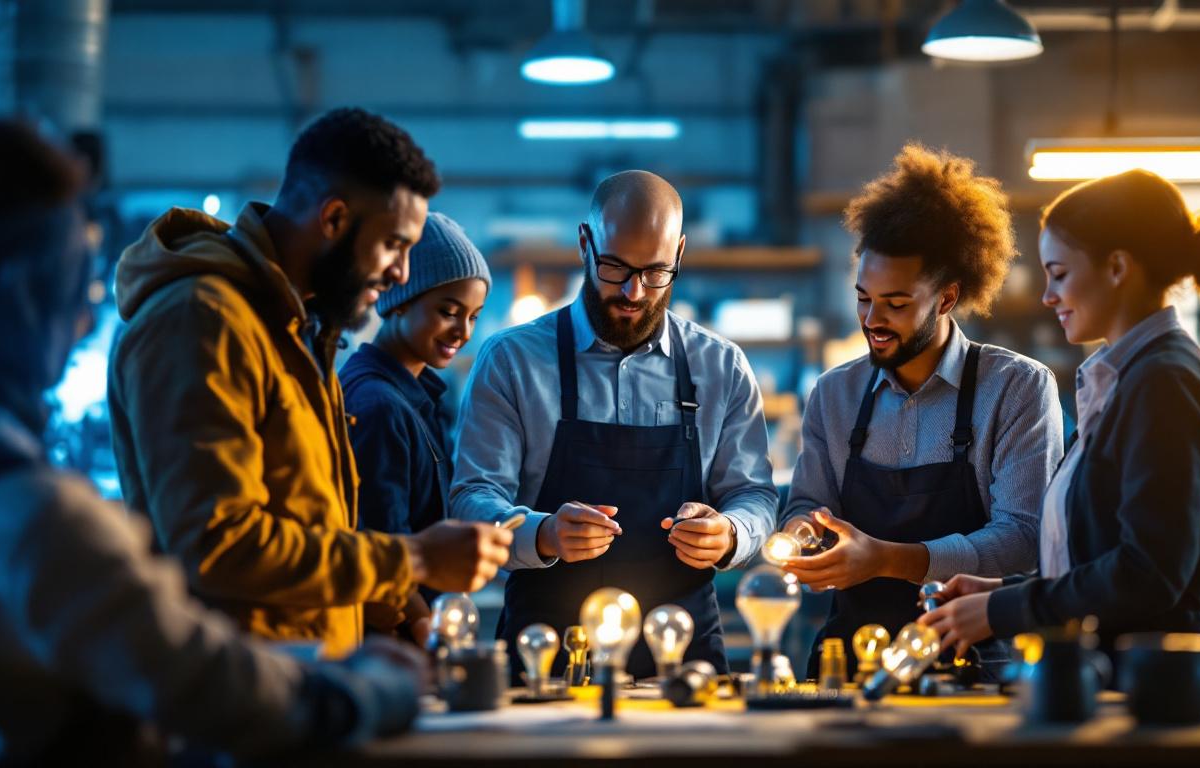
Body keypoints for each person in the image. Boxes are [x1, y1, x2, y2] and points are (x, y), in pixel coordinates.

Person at [0, 117, 425, 764]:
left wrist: (371, 600)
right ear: (19, 294)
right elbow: (190, 652)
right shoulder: (31, 517)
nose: (79, 325)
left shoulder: (295, 330)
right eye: (72, 289)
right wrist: (366, 686)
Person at [108, 107, 511, 659]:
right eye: (394, 245)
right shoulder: (203, 319)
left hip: (296, 684)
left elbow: (318, 526)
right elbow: (217, 544)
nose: (398, 274)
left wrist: (391, 623)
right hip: (231, 701)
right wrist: (413, 560)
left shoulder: (295, 330)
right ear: (335, 219)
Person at [920, 169, 1200, 719]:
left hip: (1168, 699)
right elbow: (1104, 555)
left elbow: (1148, 574)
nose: (1049, 295)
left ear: (1119, 267)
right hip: (1132, 691)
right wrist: (1003, 587)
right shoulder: (1126, 380)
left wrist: (1004, 608)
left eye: (1058, 274)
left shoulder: (1164, 382)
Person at [451, 170, 778, 678]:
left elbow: (755, 495)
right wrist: (542, 534)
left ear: (680, 255)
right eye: (614, 267)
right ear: (585, 243)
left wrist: (731, 533)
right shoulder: (511, 361)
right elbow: (471, 497)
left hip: (683, 659)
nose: (633, 292)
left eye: (655, 272)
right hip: (547, 656)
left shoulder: (722, 367)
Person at [779, 144, 1064, 675]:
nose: (873, 319)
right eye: (863, 297)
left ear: (948, 297)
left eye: (897, 303)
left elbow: (1024, 541)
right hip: (851, 662)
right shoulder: (834, 394)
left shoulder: (1017, 388)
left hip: (972, 663)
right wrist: (802, 535)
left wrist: (886, 559)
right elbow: (806, 505)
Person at [341, 212, 491, 607]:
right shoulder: (379, 406)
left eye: (473, 316)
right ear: (400, 300)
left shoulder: (414, 400)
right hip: (390, 646)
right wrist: (423, 628)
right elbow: (384, 549)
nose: (464, 333)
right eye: (449, 311)